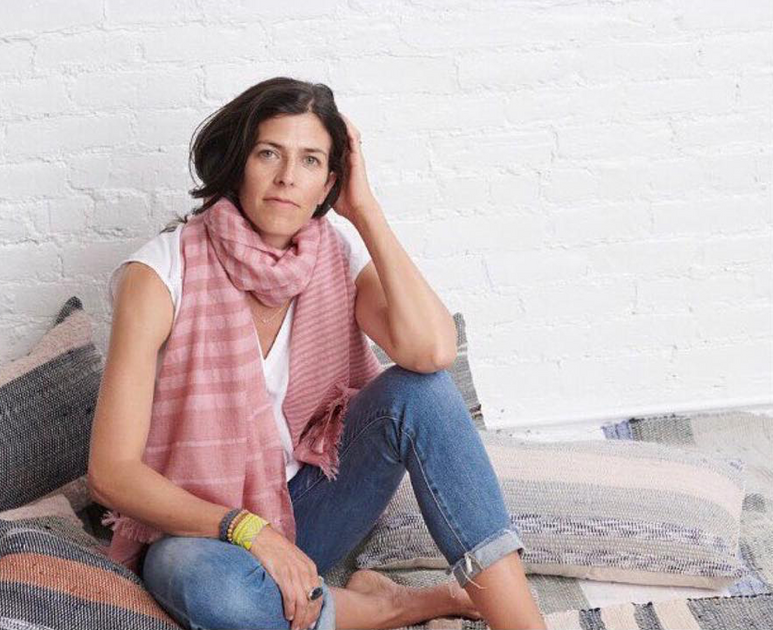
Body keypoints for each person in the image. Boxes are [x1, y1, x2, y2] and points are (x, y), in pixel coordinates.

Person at [87, 76, 547, 630]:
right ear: (237, 163)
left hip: (310, 506)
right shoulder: (158, 275)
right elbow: (111, 474)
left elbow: (431, 350)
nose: (287, 178)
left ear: (330, 180)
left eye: (309, 161)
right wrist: (250, 532)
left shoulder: (334, 253)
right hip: (201, 531)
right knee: (216, 592)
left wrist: (366, 210)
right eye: (269, 154)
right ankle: (395, 605)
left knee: (419, 393)